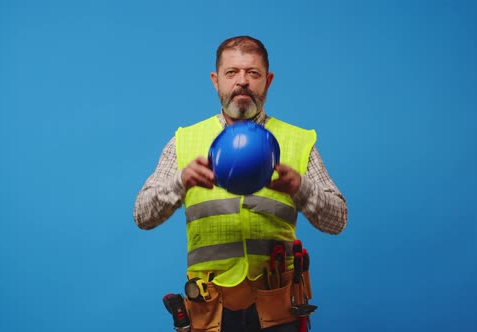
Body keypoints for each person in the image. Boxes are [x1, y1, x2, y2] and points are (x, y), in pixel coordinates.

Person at [134, 35, 347, 332]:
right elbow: (142, 216)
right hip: (210, 313)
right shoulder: (184, 141)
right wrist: (179, 182)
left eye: (253, 73)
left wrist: (302, 188)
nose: (242, 82)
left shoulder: (298, 142)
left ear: (268, 81)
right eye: (231, 72)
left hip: (279, 311)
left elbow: (338, 220)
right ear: (216, 80)